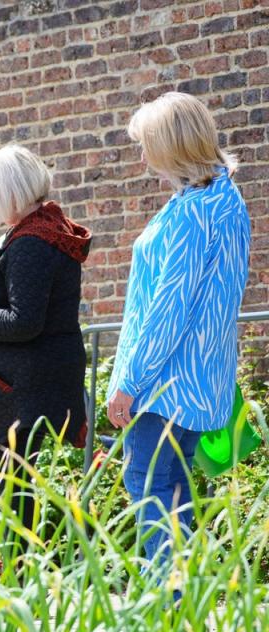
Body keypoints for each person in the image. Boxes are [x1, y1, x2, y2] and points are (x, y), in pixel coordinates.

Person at [106, 92, 250, 568]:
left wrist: (129, 383)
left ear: (172, 146)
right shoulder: (226, 200)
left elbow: (169, 311)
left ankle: (168, 601)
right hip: (202, 380)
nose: (142, 156)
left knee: (148, 484)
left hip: (165, 383)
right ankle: (187, 601)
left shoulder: (191, 213)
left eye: (147, 144)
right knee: (175, 488)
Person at [0, 144, 90, 556]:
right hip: (23, 383)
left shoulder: (32, 241)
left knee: (5, 479)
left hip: (22, 387)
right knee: (3, 476)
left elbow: (24, 321)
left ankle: (22, 570)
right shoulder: (38, 231)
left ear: (4, 191)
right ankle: (23, 566)